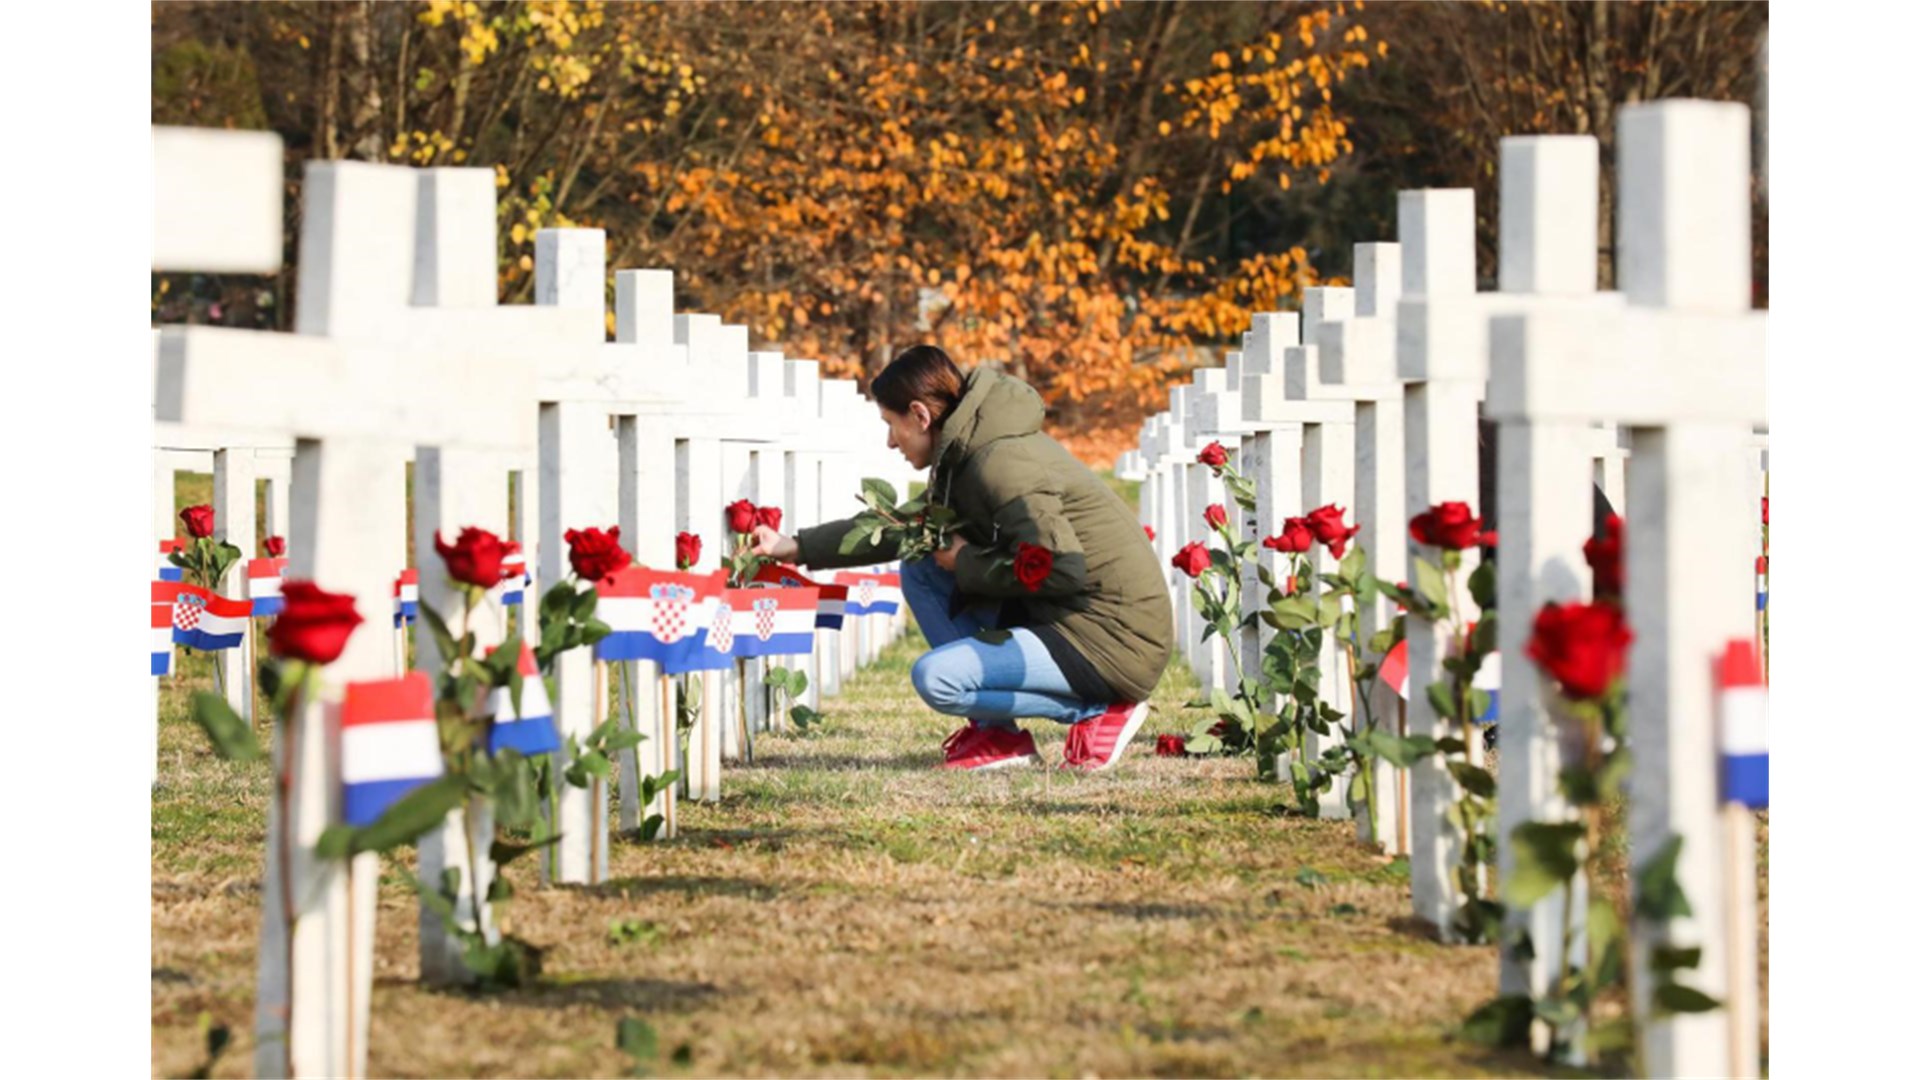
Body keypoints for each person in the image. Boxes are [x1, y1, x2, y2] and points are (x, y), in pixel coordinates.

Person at [750, 345, 1174, 771]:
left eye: (891, 425)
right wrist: (797, 547)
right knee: (921, 564)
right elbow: (904, 528)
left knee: (937, 679)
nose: (890, 441)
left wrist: (968, 562)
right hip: (1072, 618)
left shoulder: (1000, 464)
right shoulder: (967, 452)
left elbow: (1062, 568)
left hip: (1111, 640)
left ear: (920, 415)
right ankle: (999, 736)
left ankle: (1098, 710)